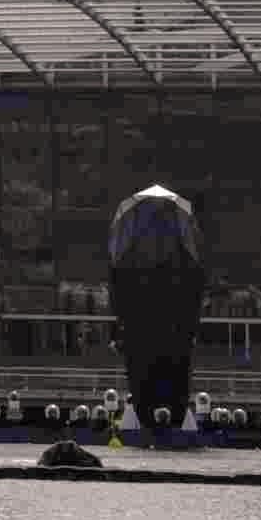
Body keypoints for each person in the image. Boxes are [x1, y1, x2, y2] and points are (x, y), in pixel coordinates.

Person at [107, 182, 204, 435]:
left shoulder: (129, 263)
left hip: (148, 321)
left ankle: (154, 421)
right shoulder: (183, 265)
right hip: (163, 321)